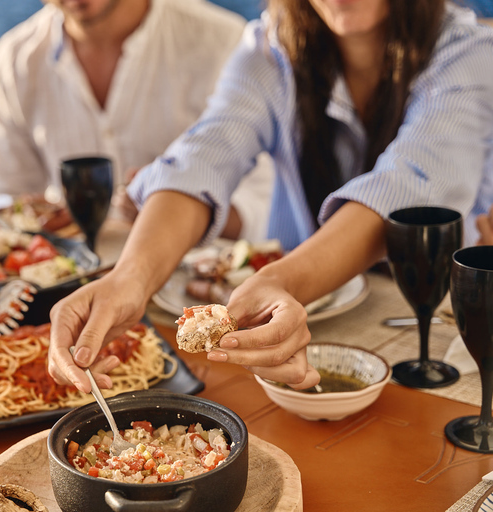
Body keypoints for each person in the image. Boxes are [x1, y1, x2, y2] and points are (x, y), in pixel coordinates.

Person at [46, 0, 493, 393]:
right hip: (294, 327)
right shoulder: (269, 46)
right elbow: (206, 153)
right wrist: (131, 278)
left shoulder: (468, 51)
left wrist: (281, 283)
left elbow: (408, 186)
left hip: (442, 336)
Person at [0, 0, 275, 243]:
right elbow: (11, 190)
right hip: (72, 297)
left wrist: (174, 210)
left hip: (202, 298)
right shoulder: (15, 56)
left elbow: (268, 203)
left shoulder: (223, 41)